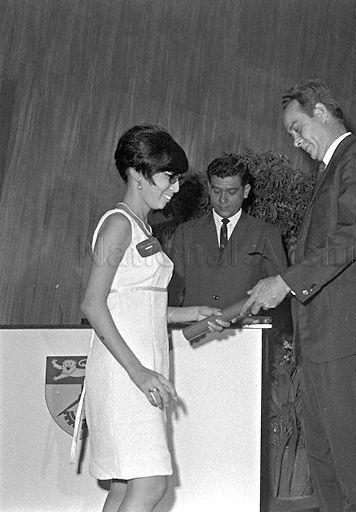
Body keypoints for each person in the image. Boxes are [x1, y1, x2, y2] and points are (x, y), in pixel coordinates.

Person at [241, 79, 356, 512]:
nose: (295, 141)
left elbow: (351, 237)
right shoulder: (331, 169)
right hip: (323, 333)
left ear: (322, 112)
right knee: (324, 454)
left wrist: (286, 282)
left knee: (351, 453)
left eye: (297, 127)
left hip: (346, 332)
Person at [80, 125, 227, 512]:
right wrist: (139, 373)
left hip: (142, 370)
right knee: (150, 485)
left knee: (124, 486)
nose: (175, 188)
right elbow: (93, 304)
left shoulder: (143, 227)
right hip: (125, 374)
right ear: (137, 174)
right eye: (168, 177)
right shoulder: (118, 224)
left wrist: (190, 313)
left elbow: (135, 304)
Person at [168, 155, 287, 311]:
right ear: (209, 188)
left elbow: (279, 293)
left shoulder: (266, 233)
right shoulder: (185, 232)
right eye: (216, 191)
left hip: (246, 325)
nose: (222, 199)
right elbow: (173, 293)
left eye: (231, 192)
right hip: (195, 325)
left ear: (246, 191)